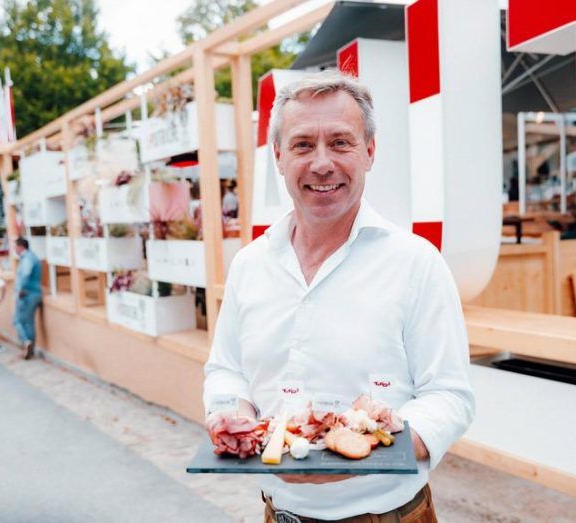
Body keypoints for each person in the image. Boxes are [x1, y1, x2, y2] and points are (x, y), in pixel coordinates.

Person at [203, 71, 474, 522]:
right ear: (279, 157)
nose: (322, 163)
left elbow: (449, 396)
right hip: (278, 513)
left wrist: (361, 455)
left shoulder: (415, 263)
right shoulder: (250, 265)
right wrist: (231, 414)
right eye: (303, 145)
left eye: (341, 143)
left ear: (369, 151)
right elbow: (226, 370)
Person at [13, 238, 42, 360]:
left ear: (20, 246)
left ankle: (26, 342)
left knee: (17, 321)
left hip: (27, 294)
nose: (14, 249)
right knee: (29, 322)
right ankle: (29, 347)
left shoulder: (28, 258)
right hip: (34, 293)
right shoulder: (32, 257)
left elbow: (25, 274)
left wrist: (20, 290)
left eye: (15, 247)